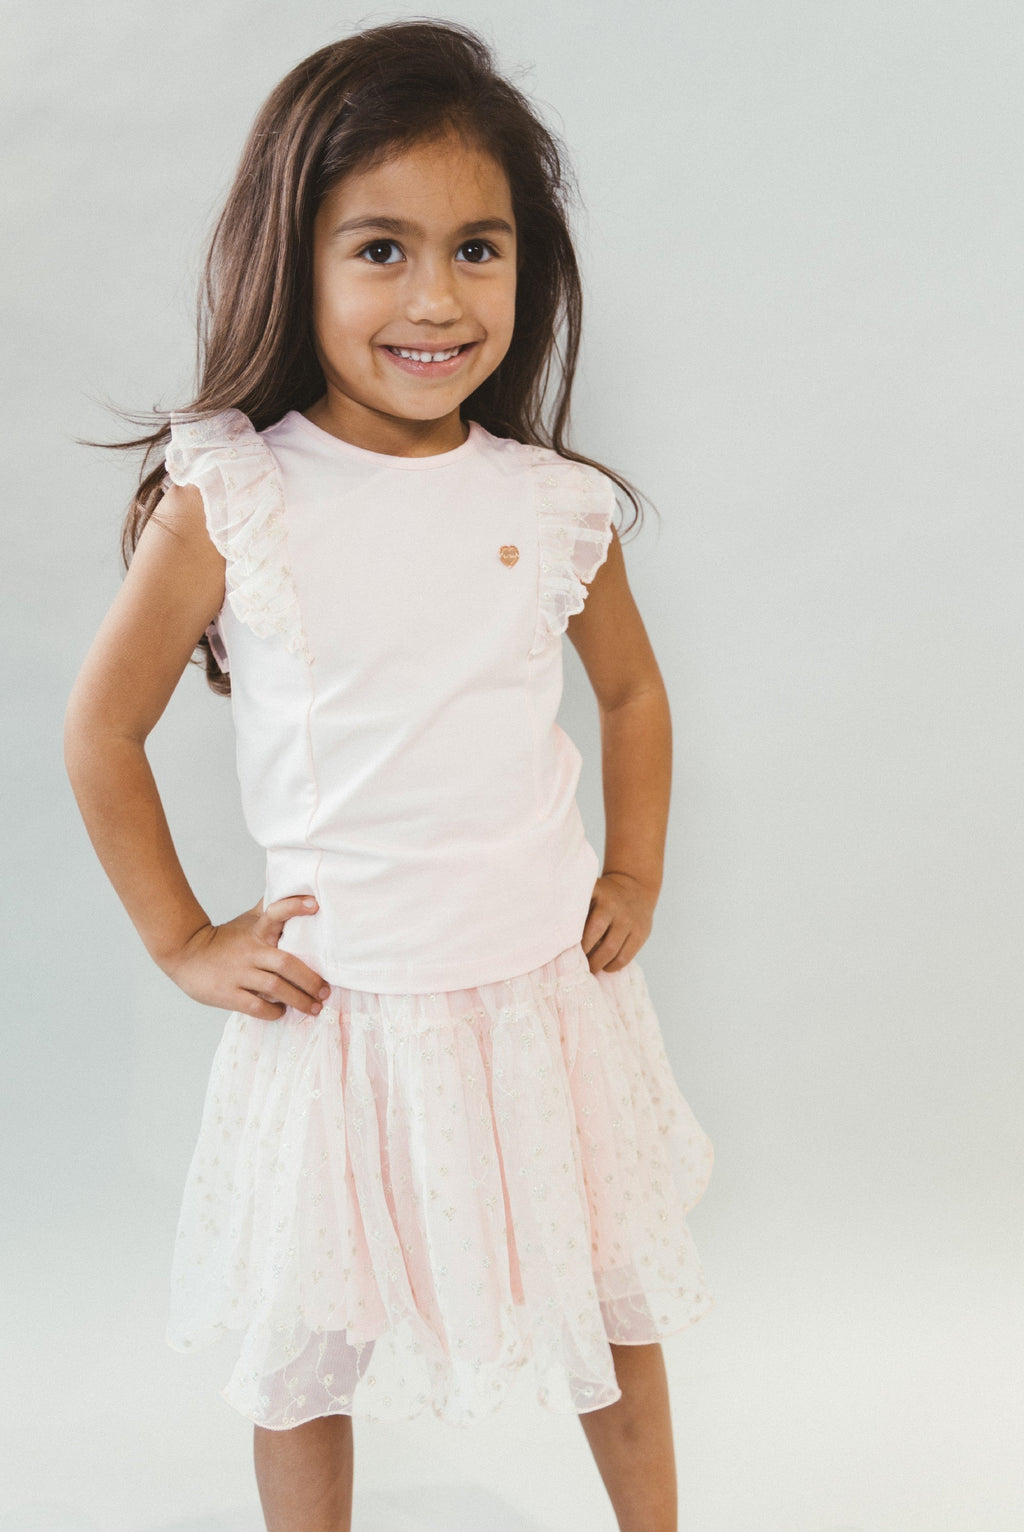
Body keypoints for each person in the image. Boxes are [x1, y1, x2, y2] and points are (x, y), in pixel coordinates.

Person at [63, 19, 714, 1532]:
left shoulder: (553, 503)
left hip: (539, 1002)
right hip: (339, 1013)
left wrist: (634, 868)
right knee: (308, 1347)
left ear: (527, 267)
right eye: (380, 251)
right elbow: (101, 728)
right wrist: (182, 937)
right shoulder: (238, 492)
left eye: (477, 249)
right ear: (292, 261)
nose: (435, 299)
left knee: (610, 1295)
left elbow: (631, 693)